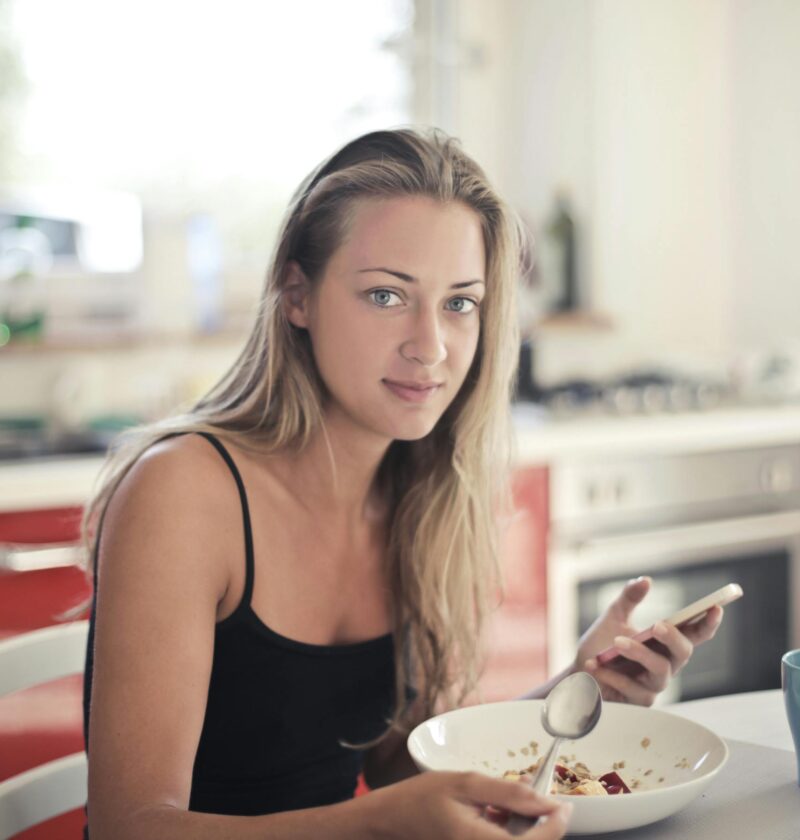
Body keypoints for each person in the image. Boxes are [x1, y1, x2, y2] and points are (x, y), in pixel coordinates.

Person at [81, 127, 723, 840]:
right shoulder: (186, 492)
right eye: (387, 296)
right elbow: (128, 827)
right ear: (298, 295)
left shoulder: (419, 494)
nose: (431, 346)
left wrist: (580, 690)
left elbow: (396, 773)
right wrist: (372, 827)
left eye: (460, 303)